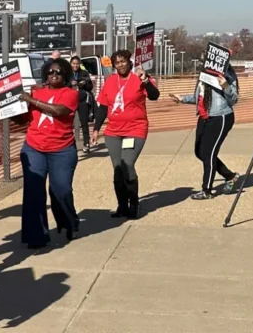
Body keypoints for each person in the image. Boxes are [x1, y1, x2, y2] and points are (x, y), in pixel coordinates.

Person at [17, 58, 81, 248]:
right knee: (34, 192)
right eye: (51, 71)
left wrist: (32, 100)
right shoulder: (36, 91)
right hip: (34, 147)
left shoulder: (70, 94)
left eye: (59, 72)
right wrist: (10, 107)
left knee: (61, 190)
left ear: (66, 75)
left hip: (62, 149)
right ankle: (37, 236)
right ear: (45, 73)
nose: (54, 74)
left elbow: (59, 111)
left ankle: (69, 222)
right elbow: (22, 120)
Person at [91, 50, 160, 218]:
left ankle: (134, 204)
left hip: (135, 129)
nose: (120, 64)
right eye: (117, 62)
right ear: (113, 65)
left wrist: (145, 80)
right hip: (113, 131)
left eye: (123, 61)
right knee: (117, 169)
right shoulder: (110, 81)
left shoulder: (139, 77)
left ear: (129, 62)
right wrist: (96, 129)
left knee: (127, 164)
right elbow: (103, 107)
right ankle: (122, 205)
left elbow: (154, 96)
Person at [169, 65, 241, 200]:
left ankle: (206, 190)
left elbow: (234, 99)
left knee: (209, 153)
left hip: (221, 117)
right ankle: (230, 176)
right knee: (200, 152)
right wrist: (183, 99)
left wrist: (226, 86)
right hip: (204, 117)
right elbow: (200, 97)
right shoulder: (204, 74)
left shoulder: (227, 74)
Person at [70, 55, 95, 154]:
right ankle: (70, 145)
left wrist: (84, 84)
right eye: (73, 64)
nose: (75, 65)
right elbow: (63, 85)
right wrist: (71, 84)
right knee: (69, 124)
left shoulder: (84, 73)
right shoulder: (67, 74)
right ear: (71, 64)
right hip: (70, 101)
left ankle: (86, 144)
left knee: (84, 123)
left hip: (82, 100)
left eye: (77, 64)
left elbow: (90, 86)